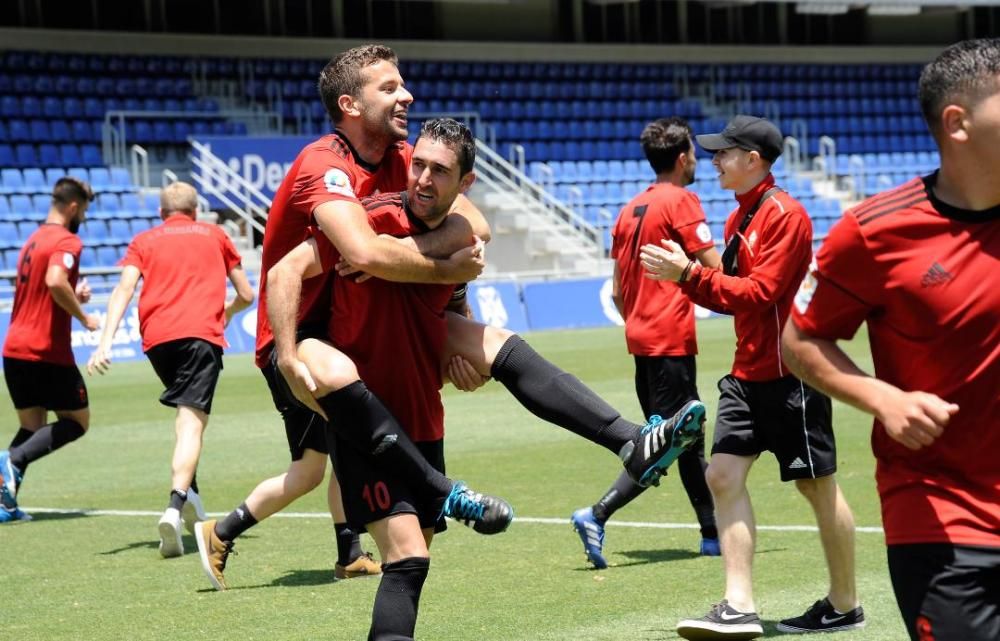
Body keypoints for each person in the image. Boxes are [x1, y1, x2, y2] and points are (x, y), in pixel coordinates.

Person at [194, 45, 513, 592]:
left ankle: (347, 550)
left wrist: (456, 311)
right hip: (298, 340)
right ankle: (223, 530)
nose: (406, 95)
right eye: (388, 88)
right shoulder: (324, 164)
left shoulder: (401, 156)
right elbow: (355, 257)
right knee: (316, 465)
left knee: (340, 454)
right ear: (349, 104)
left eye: (402, 84)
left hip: (352, 334)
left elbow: (474, 222)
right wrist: (291, 356)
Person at [781, 38, 1000, 641]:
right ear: (957, 122)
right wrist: (884, 399)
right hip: (942, 516)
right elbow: (799, 343)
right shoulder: (877, 231)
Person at [638, 116, 863, 639]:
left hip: (791, 374)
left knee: (816, 486)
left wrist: (688, 274)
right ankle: (738, 605)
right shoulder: (744, 213)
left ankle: (845, 603)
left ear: (753, 160)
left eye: (723, 153)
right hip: (747, 372)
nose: (713, 160)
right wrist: (688, 277)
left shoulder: (785, 214)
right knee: (721, 475)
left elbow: (761, 293)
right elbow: (730, 294)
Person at [571, 117, 722, 569]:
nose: (696, 160)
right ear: (682, 157)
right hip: (670, 341)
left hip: (641, 340)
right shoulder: (681, 201)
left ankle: (712, 532)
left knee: (681, 441)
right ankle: (597, 513)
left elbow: (617, 292)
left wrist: (641, 317)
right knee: (669, 444)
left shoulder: (627, 209)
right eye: (694, 152)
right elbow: (713, 268)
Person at [85, 181, 254, 558]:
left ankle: (192, 496)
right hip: (200, 336)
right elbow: (246, 293)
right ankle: (175, 508)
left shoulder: (144, 240)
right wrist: (224, 315)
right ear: (195, 211)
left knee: (187, 421)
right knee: (190, 425)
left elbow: (123, 290)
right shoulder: (215, 234)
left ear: (162, 213)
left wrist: (105, 342)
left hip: (157, 341)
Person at [0, 177, 99, 524]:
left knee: (32, 428)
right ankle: (8, 462)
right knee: (77, 421)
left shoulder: (33, 239)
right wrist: (84, 316)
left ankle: (5, 503)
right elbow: (55, 281)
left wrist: (74, 295)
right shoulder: (66, 240)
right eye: (83, 210)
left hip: (14, 347)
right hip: (45, 350)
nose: (83, 216)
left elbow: (47, 286)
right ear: (73, 207)